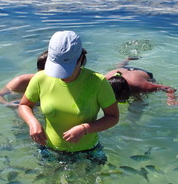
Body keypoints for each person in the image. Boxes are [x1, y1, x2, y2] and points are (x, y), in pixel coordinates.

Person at [18, 31, 119, 164]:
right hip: (49, 149)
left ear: (81, 59)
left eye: (67, 68)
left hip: (88, 151)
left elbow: (113, 117)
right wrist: (33, 123)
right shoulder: (40, 78)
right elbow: (24, 105)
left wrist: (84, 129)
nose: (61, 74)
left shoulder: (98, 82)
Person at [105, 58, 178, 105]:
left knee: (137, 98)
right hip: (121, 69)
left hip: (140, 72)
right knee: (119, 66)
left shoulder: (141, 86)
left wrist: (171, 99)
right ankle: (127, 59)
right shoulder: (104, 81)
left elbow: (168, 88)